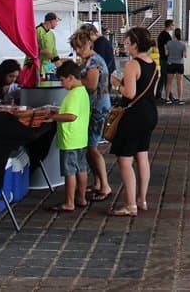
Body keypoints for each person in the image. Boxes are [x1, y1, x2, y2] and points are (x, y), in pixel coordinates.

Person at [108, 27, 160, 216]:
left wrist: (116, 83)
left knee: (125, 160)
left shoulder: (132, 65)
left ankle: (130, 205)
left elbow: (129, 93)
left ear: (135, 44)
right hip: (149, 114)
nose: (125, 46)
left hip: (133, 116)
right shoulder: (152, 64)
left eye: (127, 42)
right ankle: (142, 200)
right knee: (142, 156)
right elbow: (152, 93)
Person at [71, 28, 112, 202]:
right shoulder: (90, 60)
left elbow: (91, 84)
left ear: (89, 44)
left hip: (97, 107)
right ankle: (97, 182)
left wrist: (74, 81)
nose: (78, 51)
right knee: (90, 147)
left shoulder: (93, 61)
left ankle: (105, 185)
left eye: (80, 47)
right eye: (76, 48)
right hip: (95, 106)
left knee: (93, 148)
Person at [48, 59, 90, 212]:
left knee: (69, 172)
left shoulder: (73, 94)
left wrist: (52, 117)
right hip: (81, 138)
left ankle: (69, 202)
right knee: (81, 169)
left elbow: (71, 116)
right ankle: (82, 197)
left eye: (62, 80)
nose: (61, 84)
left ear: (71, 77)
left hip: (70, 139)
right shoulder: (83, 91)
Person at [164, 27, 187, 104]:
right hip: (179, 64)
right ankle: (180, 99)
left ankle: (167, 98)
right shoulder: (183, 44)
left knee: (169, 82)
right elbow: (185, 55)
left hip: (170, 64)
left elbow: (166, 54)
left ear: (174, 35)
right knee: (179, 82)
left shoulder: (169, 43)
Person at [37, 12, 61, 81]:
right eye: (56, 21)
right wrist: (42, 52)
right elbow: (30, 48)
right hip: (37, 67)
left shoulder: (51, 34)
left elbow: (54, 54)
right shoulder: (38, 30)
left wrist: (62, 68)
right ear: (51, 21)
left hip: (47, 68)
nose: (57, 23)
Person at [156, 19, 174, 101]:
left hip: (161, 58)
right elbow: (166, 48)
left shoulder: (161, 35)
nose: (173, 26)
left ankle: (160, 95)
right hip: (166, 59)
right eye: (173, 25)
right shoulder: (167, 36)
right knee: (166, 77)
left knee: (163, 77)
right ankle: (168, 95)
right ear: (170, 26)